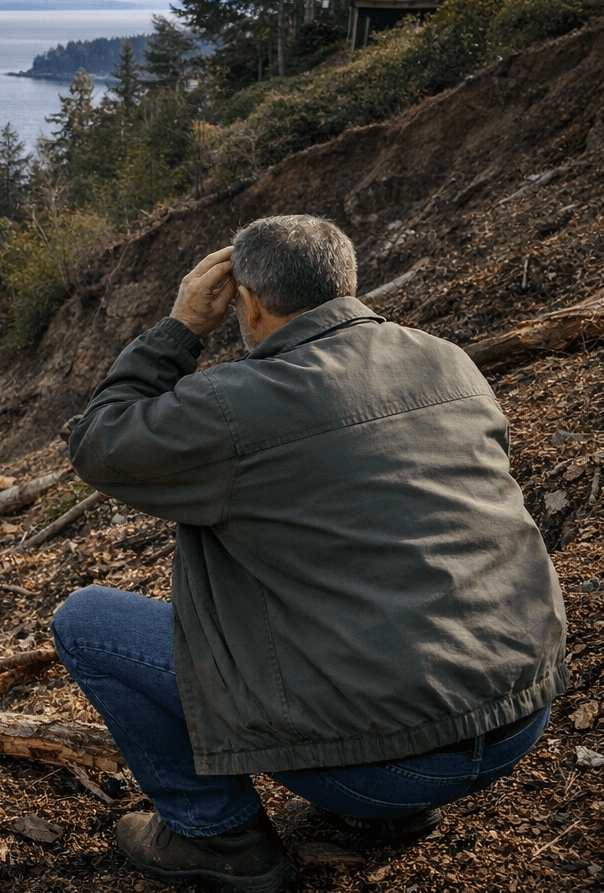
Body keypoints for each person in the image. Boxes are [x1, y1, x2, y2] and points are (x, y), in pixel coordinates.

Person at [52, 215, 567, 893]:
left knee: (87, 621)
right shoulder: (447, 359)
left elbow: (99, 443)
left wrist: (179, 328)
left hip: (380, 765)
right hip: (518, 718)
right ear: (347, 284)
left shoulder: (232, 406)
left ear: (251, 301)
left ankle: (216, 835)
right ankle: (387, 816)